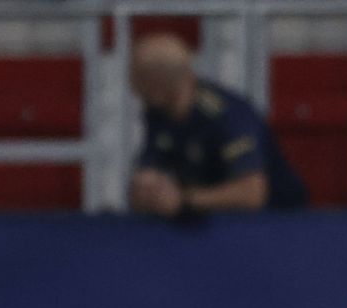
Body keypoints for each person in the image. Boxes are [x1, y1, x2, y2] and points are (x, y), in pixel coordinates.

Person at [128, 33, 307, 217]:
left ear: (156, 86)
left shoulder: (229, 116)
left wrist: (185, 200)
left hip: (275, 221)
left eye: (138, 81)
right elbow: (151, 170)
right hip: (205, 221)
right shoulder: (158, 113)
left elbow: (252, 194)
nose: (133, 89)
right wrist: (147, 191)